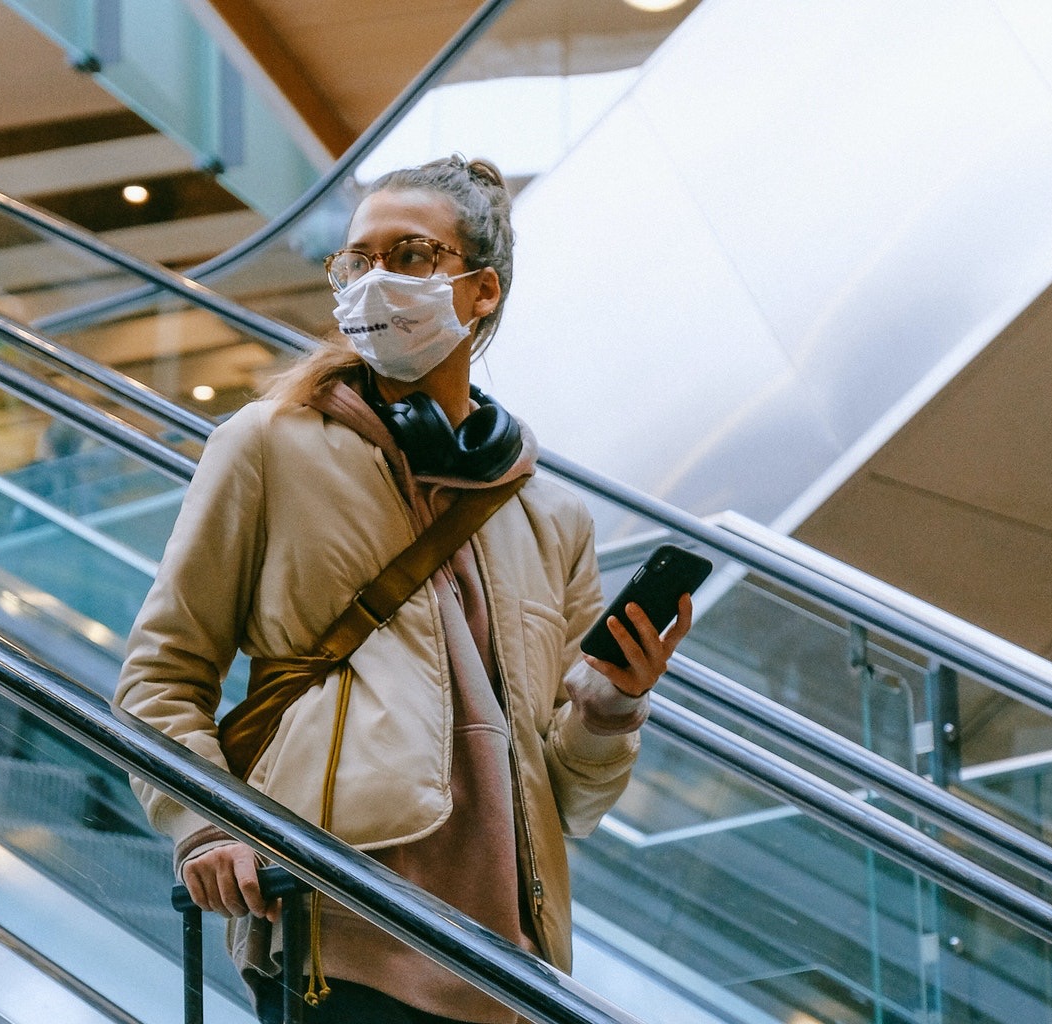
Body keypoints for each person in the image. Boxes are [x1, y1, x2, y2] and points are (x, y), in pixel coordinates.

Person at [114, 155, 693, 1024]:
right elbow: (159, 678)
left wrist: (611, 705)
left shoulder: (550, 514)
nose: (374, 279)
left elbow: (573, 798)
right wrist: (205, 823)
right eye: (357, 258)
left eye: (411, 254)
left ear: (480, 290)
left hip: (511, 967)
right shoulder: (268, 445)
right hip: (338, 925)